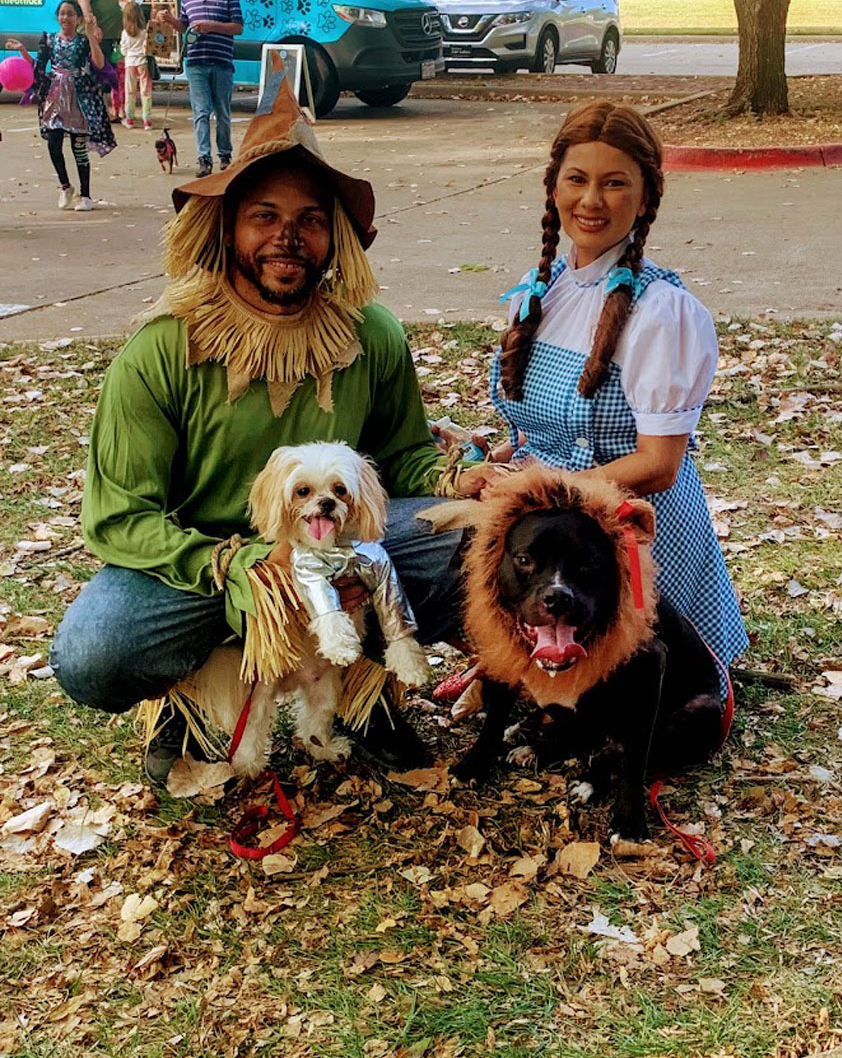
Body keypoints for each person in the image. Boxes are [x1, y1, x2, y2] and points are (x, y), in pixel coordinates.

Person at [50, 66, 478, 783]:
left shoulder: (370, 335)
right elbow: (120, 516)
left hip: (330, 541)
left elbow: (401, 455)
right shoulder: (163, 347)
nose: (288, 237)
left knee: (474, 541)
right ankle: (192, 708)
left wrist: (461, 478)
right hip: (206, 565)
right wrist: (245, 568)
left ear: (333, 234)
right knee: (93, 652)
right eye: (265, 216)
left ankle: (363, 694)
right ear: (227, 226)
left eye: (309, 219)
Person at [489, 100, 748, 691]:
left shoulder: (661, 310)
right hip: (554, 530)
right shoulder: (539, 293)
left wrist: (536, 494)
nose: (592, 200)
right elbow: (539, 433)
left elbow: (658, 465)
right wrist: (499, 463)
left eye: (615, 183)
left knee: (636, 685)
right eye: (577, 179)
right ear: (553, 186)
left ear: (645, 196)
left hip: (630, 533)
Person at [5, 1, 116, 213]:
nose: (66, 18)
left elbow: (100, 64)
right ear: (57, 17)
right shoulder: (48, 40)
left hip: (79, 97)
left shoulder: (83, 41)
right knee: (53, 144)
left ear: (78, 19)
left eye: (71, 14)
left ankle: (85, 195)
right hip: (54, 97)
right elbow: (38, 68)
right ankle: (65, 186)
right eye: (62, 14)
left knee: (79, 147)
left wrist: (92, 36)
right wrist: (22, 50)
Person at [157, 0, 243, 178]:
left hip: (221, 61)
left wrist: (213, 26)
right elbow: (184, 26)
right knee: (201, 112)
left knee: (222, 111)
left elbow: (237, 27)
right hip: (195, 62)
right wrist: (170, 20)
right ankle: (204, 158)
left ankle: (224, 154)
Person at [120, 1, 153, 129]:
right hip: (143, 62)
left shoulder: (125, 33)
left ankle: (130, 119)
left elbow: (123, 50)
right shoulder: (144, 31)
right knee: (146, 92)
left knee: (130, 91)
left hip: (130, 63)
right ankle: (147, 120)